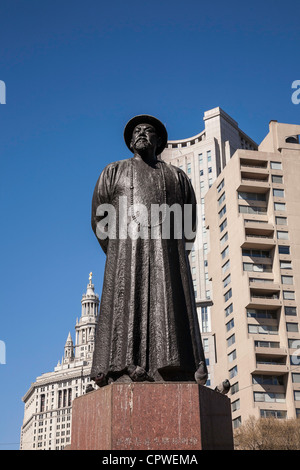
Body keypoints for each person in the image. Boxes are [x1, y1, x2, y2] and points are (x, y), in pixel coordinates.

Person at [90, 114, 208, 386]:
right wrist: (120, 252)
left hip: (166, 257)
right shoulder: (113, 171)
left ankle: (173, 369)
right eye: (137, 131)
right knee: (124, 309)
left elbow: (188, 223)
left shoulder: (176, 177)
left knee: (169, 308)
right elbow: (99, 218)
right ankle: (121, 370)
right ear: (130, 141)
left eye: (149, 131)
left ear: (159, 141)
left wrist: (171, 253)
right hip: (126, 257)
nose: (142, 134)